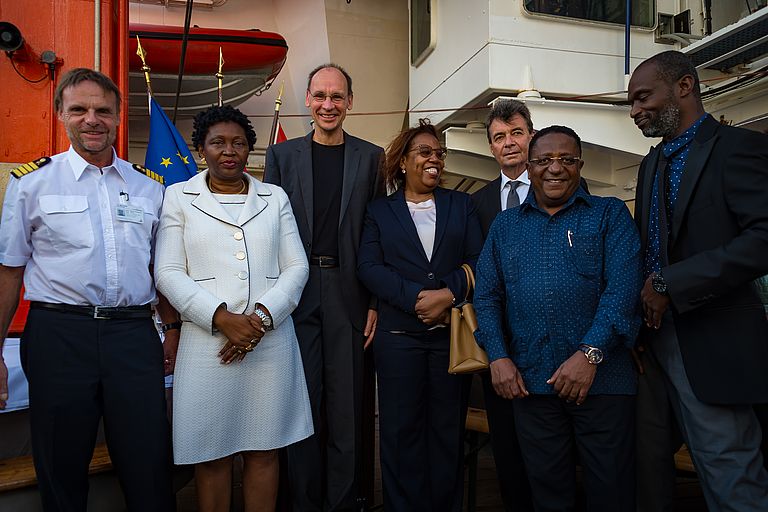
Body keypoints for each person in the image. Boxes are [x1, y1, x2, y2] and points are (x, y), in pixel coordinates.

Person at [0, 67, 174, 510]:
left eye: (103, 110)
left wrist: (171, 330)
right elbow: (9, 273)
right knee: (61, 465)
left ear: (118, 116)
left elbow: (161, 269)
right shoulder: (31, 183)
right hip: (59, 336)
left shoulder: (149, 188)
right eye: (79, 109)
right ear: (60, 113)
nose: (91, 119)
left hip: (132, 336)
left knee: (149, 461)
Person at [153, 105, 313, 512]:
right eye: (218, 143)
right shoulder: (178, 197)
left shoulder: (274, 197)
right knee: (211, 453)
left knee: (265, 449)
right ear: (201, 149)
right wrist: (221, 317)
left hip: (270, 343)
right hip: (208, 347)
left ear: (249, 149)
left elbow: (296, 267)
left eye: (238, 143)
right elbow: (167, 272)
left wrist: (260, 319)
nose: (229, 151)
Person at [474, 125, 642, 511]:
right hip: (531, 387)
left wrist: (590, 354)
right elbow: (487, 296)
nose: (555, 168)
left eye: (567, 159)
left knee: (612, 493)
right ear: (529, 166)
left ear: (580, 165)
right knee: (548, 496)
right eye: (544, 160)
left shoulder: (609, 214)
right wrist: (498, 356)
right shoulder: (505, 226)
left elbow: (622, 293)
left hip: (603, 384)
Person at [629, 50, 768, 511]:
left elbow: (763, 239)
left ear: (684, 86)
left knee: (730, 473)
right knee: (660, 474)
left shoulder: (737, 147)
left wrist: (671, 283)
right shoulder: (650, 163)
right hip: (654, 343)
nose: (635, 110)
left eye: (643, 97)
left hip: (713, 338)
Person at [263, 63, 383, 511]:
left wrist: (375, 301)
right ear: (308, 100)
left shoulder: (371, 158)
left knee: (347, 409)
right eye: (320, 96)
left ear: (350, 102)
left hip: (350, 293)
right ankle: (303, 502)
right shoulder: (281, 157)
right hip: (296, 292)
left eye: (337, 96)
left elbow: (377, 233)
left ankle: (343, 503)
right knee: (301, 405)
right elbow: (268, 231)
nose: (328, 105)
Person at [357, 119, 483, 511]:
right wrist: (415, 299)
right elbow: (369, 267)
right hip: (398, 340)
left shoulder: (462, 204)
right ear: (402, 162)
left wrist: (447, 293)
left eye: (439, 153)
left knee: (447, 434)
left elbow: (478, 259)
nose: (434, 159)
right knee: (400, 435)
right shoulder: (379, 211)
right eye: (425, 152)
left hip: (450, 339)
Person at [470, 98, 536, 512]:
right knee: (507, 448)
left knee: (549, 449)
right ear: (491, 146)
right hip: (498, 345)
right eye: (499, 137)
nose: (508, 143)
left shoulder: (564, 186)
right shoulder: (477, 203)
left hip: (550, 342)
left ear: (531, 136)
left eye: (516, 133)